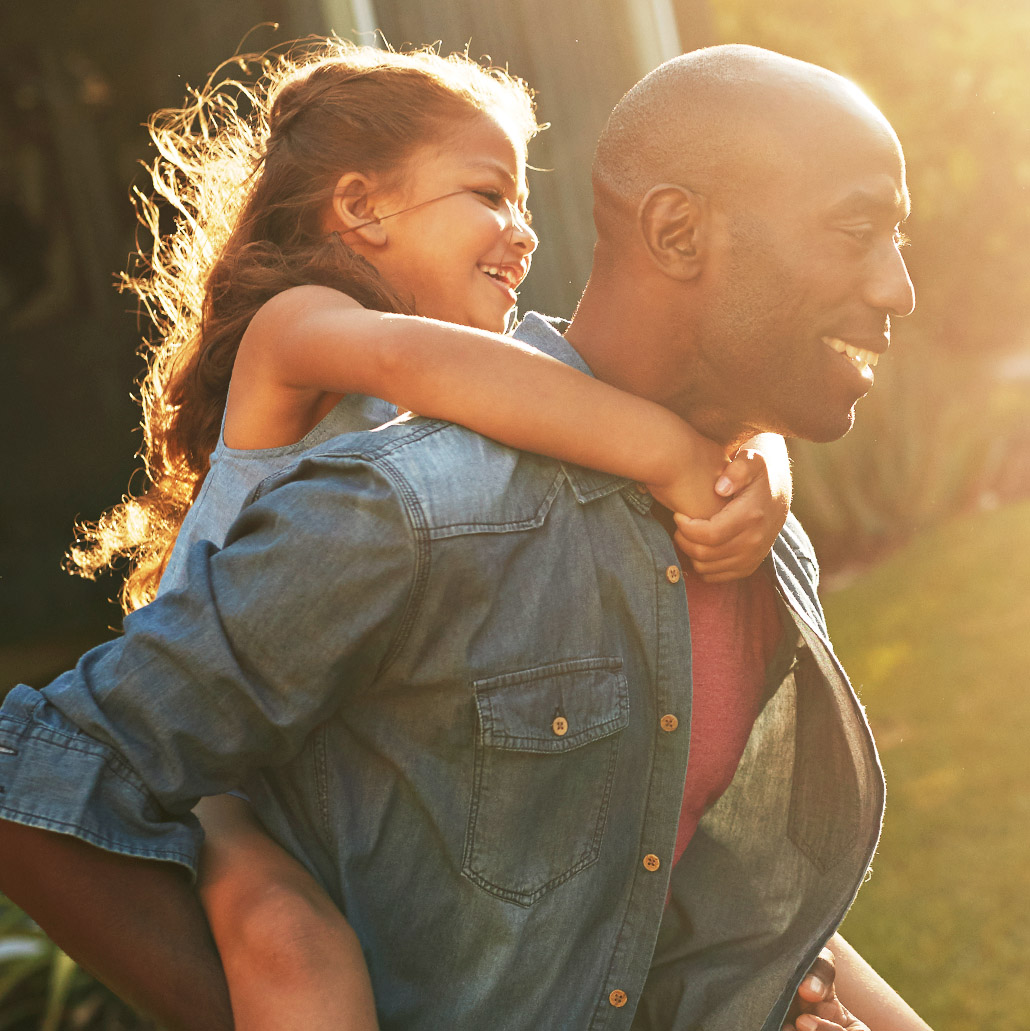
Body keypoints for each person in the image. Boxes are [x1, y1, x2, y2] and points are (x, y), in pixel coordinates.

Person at [0, 44, 931, 1031]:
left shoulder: (752, 534)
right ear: (675, 228)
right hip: (231, 800)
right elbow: (41, 782)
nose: (899, 290)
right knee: (287, 940)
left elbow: (655, 883)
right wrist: (675, 450)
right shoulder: (403, 494)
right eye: (857, 230)